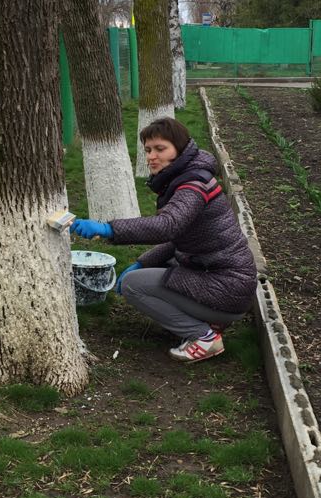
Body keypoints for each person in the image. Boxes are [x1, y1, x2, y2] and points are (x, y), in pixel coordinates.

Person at [70, 117, 258, 362]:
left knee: (133, 285)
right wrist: (143, 262)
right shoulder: (188, 178)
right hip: (228, 283)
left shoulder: (192, 186)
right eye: (148, 150)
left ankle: (203, 336)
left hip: (226, 288)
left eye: (160, 149)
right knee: (148, 272)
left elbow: (167, 227)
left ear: (180, 151)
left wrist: (108, 229)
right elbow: (179, 238)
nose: (151, 156)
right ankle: (210, 320)